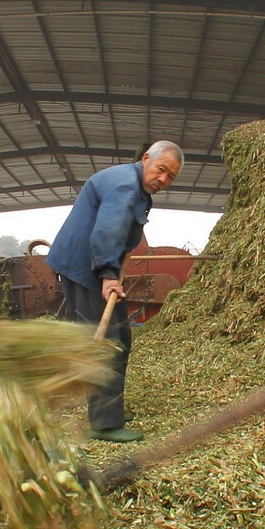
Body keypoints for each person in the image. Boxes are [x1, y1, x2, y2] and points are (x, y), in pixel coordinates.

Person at [46, 141, 184, 442]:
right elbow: (108, 229)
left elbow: (121, 230)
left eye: (170, 176)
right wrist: (108, 275)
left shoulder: (138, 187)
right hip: (86, 269)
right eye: (161, 170)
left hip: (96, 267)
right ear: (146, 158)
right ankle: (104, 423)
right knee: (105, 345)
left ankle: (111, 407)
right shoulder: (125, 185)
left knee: (120, 338)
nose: (163, 180)